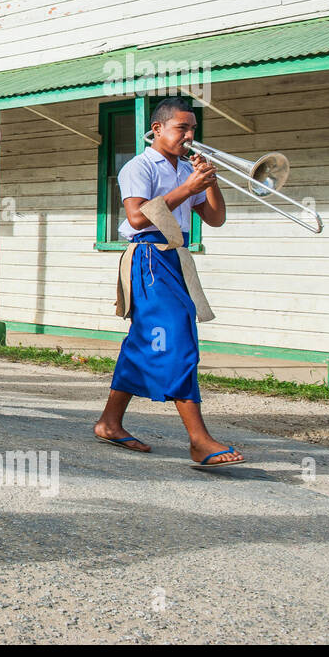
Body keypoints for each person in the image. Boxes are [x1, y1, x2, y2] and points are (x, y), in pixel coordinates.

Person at [94, 97, 243, 467]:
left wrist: (209, 182)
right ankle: (198, 439)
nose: (190, 135)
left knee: (145, 341)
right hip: (148, 257)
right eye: (182, 128)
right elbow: (137, 217)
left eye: (193, 128)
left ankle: (110, 422)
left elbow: (215, 219)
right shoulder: (139, 166)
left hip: (176, 257)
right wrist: (189, 188)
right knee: (176, 336)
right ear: (158, 129)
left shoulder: (183, 168)